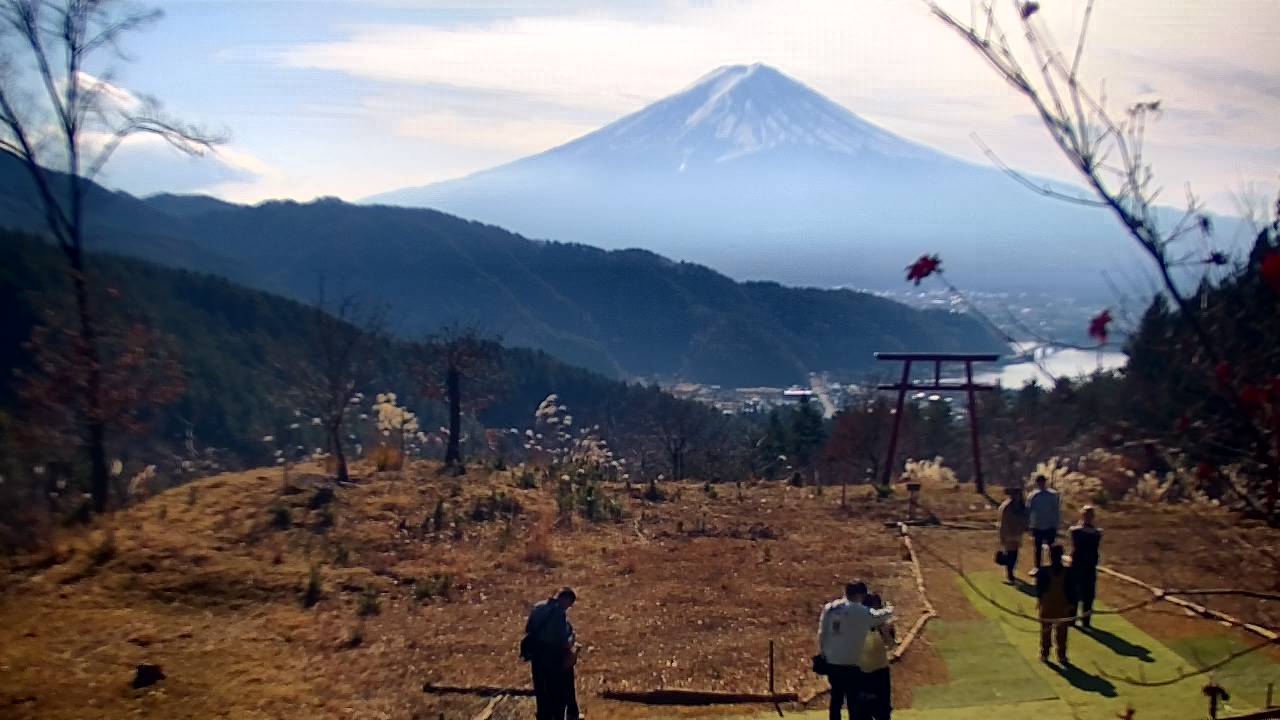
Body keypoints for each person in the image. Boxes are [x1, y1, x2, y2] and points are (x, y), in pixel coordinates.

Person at [818, 581, 894, 720]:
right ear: (860, 595)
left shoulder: (831, 608)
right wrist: (890, 608)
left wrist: (824, 654)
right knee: (854, 703)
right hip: (852, 665)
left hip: (833, 663)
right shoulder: (859, 612)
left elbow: (822, 634)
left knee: (836, 700)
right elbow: (880, 617)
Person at [524, 587, 580, 720]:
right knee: (556, 689)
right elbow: (561, 640)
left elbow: (528, 629)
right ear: (565, 599)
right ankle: (557, 715)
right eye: (569, 604)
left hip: (536, 653)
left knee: (540, 687)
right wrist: (572, 641)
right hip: (553, 655)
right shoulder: (559, 613)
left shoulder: (538, 607)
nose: (568, 607)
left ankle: (542, 715)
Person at [853, 593, 894, 720]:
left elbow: (891, 644)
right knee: (861, 713)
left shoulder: (884, 626)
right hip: (861, 675)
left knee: (882, 713)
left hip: (880, 674)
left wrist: (884, 629)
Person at [1036, 544, 1077, 664]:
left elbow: (1039, 589)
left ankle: (1045, 653)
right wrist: (1072, 605)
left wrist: (1039, 601)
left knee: (1046, 631)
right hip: (1062, 606)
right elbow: (1072, 591)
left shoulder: (1043, 571)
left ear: (1050, 556)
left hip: (1048, 605)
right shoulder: (1068, 571)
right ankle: (1061, 655)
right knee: (1062, 633)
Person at [1069, 505, 1103, 628]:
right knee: (1074, 594)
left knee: (1088, 595)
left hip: (1089, 567)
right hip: (1077, 566)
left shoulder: (1095, 532)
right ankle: (1072, 618)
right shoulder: (1077, 531)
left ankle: (1085, 620)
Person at [1026, 475, 1061, 569]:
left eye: (1042, 482)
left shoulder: (1053, 495)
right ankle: (1037, 567)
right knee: (1038, 549)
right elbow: (1029, 511)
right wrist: (1030, 525)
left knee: (1052, 548)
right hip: (1037, 526)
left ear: (1045, 482)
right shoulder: (1033, 496)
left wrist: (1056, 525)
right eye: (1039, 482)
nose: (1041, 484)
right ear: (1037, 483)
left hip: (1050, 525)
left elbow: (1056, 511)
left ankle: (1053, 566)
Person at [996, 486, 1028, 583]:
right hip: (1008, 533)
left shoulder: (1021, 506)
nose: (1018, 496)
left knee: (1015, 555)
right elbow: (1002, 523)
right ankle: (1010, 574)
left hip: (1017, 534)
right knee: (1010, 555)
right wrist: (1002, 536)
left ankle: (1011, 572)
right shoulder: (1006, 507)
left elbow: (1024, 519)